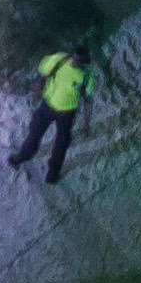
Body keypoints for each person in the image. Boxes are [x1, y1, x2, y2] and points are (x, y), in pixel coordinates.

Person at [22, 40, 90, 180]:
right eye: (75, 58)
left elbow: (88, 101)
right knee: (34, 132)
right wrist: (38, 91)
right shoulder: (58, 60)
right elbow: (43, 73)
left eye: (80, 61)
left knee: (61, 144)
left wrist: (86, 124)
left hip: (67, 114)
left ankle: (53, 171)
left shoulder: (86, 78)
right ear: (71, 55)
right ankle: (24, 155)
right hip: (47, 105)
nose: (76, 63)